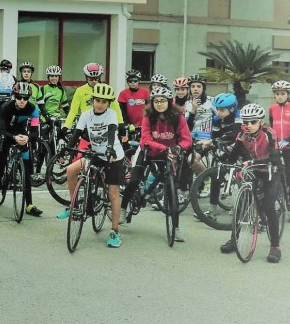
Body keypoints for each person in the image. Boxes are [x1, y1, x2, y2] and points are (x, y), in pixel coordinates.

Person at [119, 85, 193, 240]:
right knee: (133, 180)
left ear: (169, 101)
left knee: (171, 188)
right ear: (151, 103)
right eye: (156, 101)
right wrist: (162, 147)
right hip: (147, 152)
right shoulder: (148, 117)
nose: (159, 104)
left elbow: (187, 138)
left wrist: (179, 147)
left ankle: (176, 228)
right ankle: (123, 208)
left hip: (169, 154)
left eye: (163, 101)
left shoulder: (177, 117)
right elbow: (145, 139)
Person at [59, 82, 125, 246]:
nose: (101, 104)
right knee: (71, 170)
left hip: (113, 155)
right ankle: (75, 206)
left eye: (104, 102)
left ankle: (114, 231)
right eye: (98, 100)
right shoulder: (86, 114)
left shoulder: (110, 114)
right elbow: (78, 133)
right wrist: (67, 149)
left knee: (113, 193)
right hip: (95, 153)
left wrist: (110, 149)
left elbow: (111, 132)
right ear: (92, 100)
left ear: (108, 103)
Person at [219, 104, 284, 263]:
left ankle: (275, 246)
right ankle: (234, 240)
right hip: (254, 170)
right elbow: (235, 154)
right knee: (241, 204)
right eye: (246, 122)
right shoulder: (242, 135)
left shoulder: (270, 133)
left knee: (268, 207)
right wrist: (228, 165)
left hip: (271, 170)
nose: (248, 125)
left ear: (261, 122)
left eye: (253, 122)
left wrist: (253, 161)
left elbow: (274, 156)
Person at [0, 81, 44, 219]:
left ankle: (29, 205)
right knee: (0, 168)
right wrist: (14, 137)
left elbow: (35, 132)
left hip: (22, 135)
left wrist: (28, 138)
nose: (22, 101)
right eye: (19, 97)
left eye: (25, 98)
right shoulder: (6, 107)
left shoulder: (33, 109)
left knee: (28, 171)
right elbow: (2, 129)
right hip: (7, 136)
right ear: (14, 96)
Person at [268, 79, 290, 223]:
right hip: (276, 148)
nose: (280, 96)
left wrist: (287, 140)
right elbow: (271, 126)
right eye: (277, 94)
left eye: (283, 93)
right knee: (275, 177)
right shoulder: (272, 109)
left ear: (288, 94)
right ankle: (277, 201)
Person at [65, 63, 123, 128]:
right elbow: (73, 110)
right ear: (86, 78)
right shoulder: (80, 91)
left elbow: (115, 108)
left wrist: (120, 123)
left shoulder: (106, 89)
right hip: (86, 124)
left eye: (96, 79)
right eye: (91, 79)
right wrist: (66, 126)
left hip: (103, 124)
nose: (94, 81)